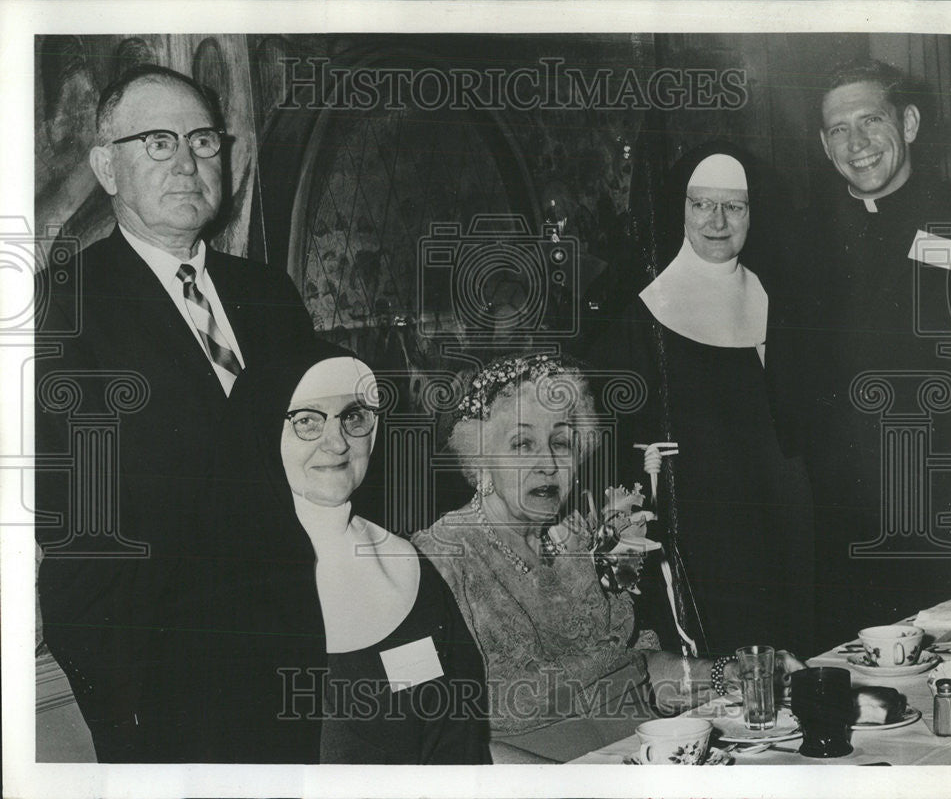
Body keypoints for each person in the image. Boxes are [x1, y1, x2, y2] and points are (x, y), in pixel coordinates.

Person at [34, 64, 314, 761]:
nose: (188, 163)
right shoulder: (59, 305)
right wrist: (121, 687)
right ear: (106, 166)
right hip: (154, 669)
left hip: (295, 646)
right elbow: (71, 508)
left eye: (204, 141)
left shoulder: (268, 294)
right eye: (158, 142)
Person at [411, 353, 803, 762]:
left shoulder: (579, 536)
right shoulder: (438, 559)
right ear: (480, 459)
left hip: (642, 754)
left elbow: (633, 668)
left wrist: (728, 675)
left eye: (560, 442)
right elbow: (432, 739)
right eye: (522, 443)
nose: (547, 464)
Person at [587, 142, 815, 658]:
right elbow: (604, 443)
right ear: (681, 211)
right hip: (696, 537)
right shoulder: (639, 316)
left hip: (776, 529)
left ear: (754, 213)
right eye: (701, 205)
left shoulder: (774, 296)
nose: (717, 220)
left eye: (734, 206)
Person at [767, 59, 951, 649]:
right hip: (846, 502)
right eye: (838, 130)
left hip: (946, 492)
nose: (858, 143)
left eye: (871, 120)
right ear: (825, 148)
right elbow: (788, 369)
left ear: (908, 122)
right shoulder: (802, 236)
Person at [223, 342, 491, 764]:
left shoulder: (407, 565)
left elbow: (455, 737)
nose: (337, 442)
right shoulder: (219, 590)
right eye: (307, 421)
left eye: (353, 417)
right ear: (261, 432)